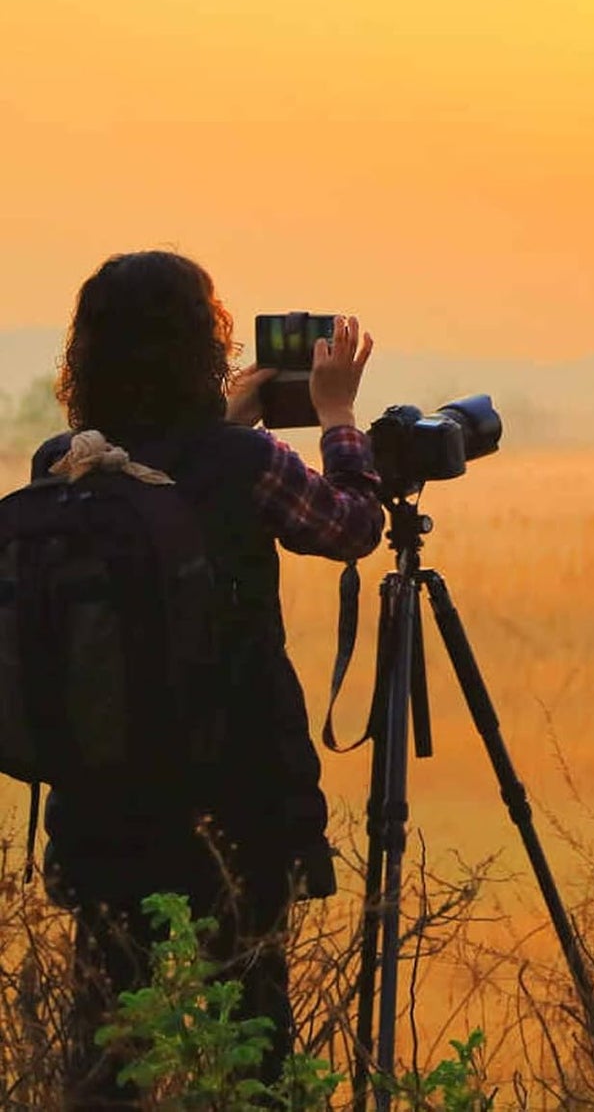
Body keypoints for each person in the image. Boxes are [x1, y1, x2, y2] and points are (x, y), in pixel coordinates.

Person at [29, 250, 384, 1107]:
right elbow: (351, 526)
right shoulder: (245, 462)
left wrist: (227, 425)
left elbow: (162, 484)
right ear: (205, 343)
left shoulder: (66, 462)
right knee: (255, 1029)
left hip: (103, 800)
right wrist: (338, 416)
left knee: (110, 1041)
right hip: (239, 801)